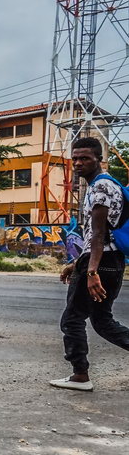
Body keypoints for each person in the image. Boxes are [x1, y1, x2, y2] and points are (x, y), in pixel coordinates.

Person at [54, 136, 129, 391]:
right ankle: (80, 375)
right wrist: (78, 263)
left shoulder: (100, 187)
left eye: (85, 158)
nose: (78, 163)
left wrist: (91, 271)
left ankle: (80, 376)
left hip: (101, 261)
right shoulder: (104, 185)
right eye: (75, 158)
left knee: (72, 319)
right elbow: (97, 235)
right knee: (102, 321)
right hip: (110, 259)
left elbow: (98, 235)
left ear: (99, 159)